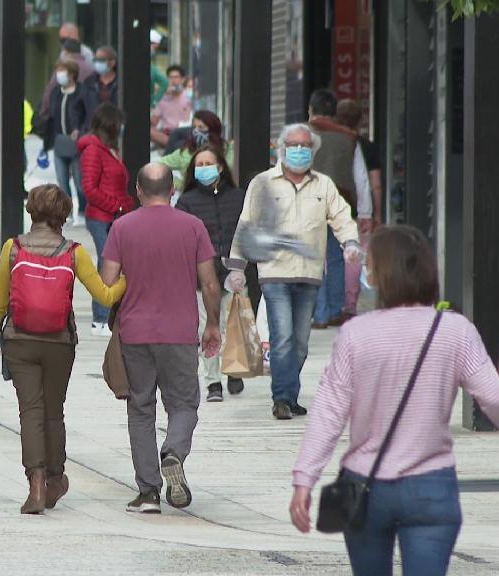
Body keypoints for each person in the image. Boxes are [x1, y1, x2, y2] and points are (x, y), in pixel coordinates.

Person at [289, 225, 499, 575]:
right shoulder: (455, 330)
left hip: (366, 485)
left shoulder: (355, 334)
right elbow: (495, 399)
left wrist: (305, 479)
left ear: (379, 276)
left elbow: (329, 412)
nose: (367, 272)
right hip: (431, 484)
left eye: (370, 266)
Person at [0, 184, 127, 514]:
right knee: (53, 412)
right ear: (63, 214)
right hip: (58, 343)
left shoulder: (13, 248)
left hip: (20, 341)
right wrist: (129, 279)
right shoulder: (74, 251)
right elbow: (105, 296)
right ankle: (55, 479)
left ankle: (34, 483)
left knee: (30, 412)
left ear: (31, 211)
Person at [99, 163, 221, 513]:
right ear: (173, 190)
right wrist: (212, 323)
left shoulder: (122, 227)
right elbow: (210, 283)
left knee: (140, 409)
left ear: (138, 190)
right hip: (180, 331)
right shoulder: (193, 226)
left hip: (136, 332)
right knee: (184, 404)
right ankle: (174, 452)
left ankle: (149, 492)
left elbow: (107, 282)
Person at [226, 123, 361, 420]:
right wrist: (237, 266)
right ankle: (282, 398)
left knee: (300, 342)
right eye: (293, 145)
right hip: (274, 273)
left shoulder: (323, 185)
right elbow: (247, 224)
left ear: (313, 150)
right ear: (281, 149)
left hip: (310, 273)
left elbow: (341, 216)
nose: (299, 151)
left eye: (305, 146)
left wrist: (350, 242)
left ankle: (290, 394)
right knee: (283, 336)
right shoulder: (263, 183)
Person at [176, 146, 245, 402]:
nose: (204, 167)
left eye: (209, 163)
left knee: (232, 325)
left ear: (220, 167)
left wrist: (240, 266)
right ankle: (213, 381)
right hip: (201, 278)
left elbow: (245, 232)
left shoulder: (238, 197)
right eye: (199, 164)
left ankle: (234, 368)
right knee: (208, 326)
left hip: (234, 272)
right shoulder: (186, 202)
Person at [78, 102, 134, 337]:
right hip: (102, 217)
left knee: (115, 264)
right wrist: (117, 205)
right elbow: (89, 188)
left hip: (116, 216)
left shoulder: (109, 149)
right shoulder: (93, 150)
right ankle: (100, 318)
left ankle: (110, 313)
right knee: (106, 264)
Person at [307, 89, 360, 330]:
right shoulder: (349, 138)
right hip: (342, 201)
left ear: (311, 109)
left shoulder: (299, 136)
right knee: (336, 257)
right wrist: (367, 210)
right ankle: (337, 309)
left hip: (309, 202)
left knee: (313, 256)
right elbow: (360, 177)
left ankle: (319, 314)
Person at [335, 99, 383, 317]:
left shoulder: (329, 142)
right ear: (360, 120)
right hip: (357, 210)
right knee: (354, 257)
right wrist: (375, 213)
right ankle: (350, 303)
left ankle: (331, 303)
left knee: (330, 257)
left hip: (331, 207)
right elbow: (374, 183)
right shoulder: (366, 146)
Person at [44, 59, 89, 224]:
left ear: (72, 74)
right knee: (62, 181)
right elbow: (50, 116)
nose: (59, 75)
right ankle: (67, 213)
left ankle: (83, 211)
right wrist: (46, 142)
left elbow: (89, 115)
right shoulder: (56, 91)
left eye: (62, 71)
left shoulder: (82, 92)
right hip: (60, 142)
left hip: (78, 144)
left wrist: (81, 131)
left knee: (80, 181)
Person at [160, 110, 233, 190]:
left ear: (212, 129)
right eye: (194, 127)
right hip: (192, 196)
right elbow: (159, 165)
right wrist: (180, 184)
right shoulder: (185, 152)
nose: (196, 131)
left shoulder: (228, 150)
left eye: (201, 127)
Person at [150, 65, 193, 148]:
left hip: (185, 133)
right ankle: (174, 146)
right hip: (167, 135)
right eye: (170, 77)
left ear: (182, 79)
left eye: (176, 77)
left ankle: (174, 146)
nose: (173, 80)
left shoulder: (189, 96)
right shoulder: (162, 99)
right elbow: (153, 122)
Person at [82, 46, 119, 114]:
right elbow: (79, 106)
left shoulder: (120, 82)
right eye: (96, 60)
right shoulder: (89, 81)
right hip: (93, 123)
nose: (97, 63)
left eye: (101, 60)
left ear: (112, 62)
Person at [148, 30, 168, 109]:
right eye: (154, 47)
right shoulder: (152, 69)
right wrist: (154, 99)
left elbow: (164, 82)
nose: (153, 50)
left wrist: (155, 99)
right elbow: (164, 82)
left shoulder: (152, 68)